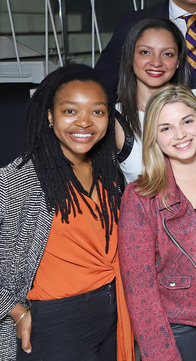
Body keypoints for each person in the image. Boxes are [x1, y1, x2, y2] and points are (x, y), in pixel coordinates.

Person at [0, 64, 133, 360]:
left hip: (112, 312)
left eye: (97, 112)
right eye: (70, 111)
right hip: (56, 320)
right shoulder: (23, 178)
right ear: (50, 116)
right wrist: (14, 309)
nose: (84, 123)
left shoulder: (109, 172)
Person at [118, 85, 196, 361]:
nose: (179, 135)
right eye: (165, 128)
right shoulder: (141, 198)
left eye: (186, 121)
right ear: (153, 136)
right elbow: (140, 290)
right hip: (184, 328)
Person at [115, 18, 196, 183]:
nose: (156, 62)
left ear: (178, 61)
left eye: (167, 53)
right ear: (130, 57)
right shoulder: (116, 119)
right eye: (145, 52)